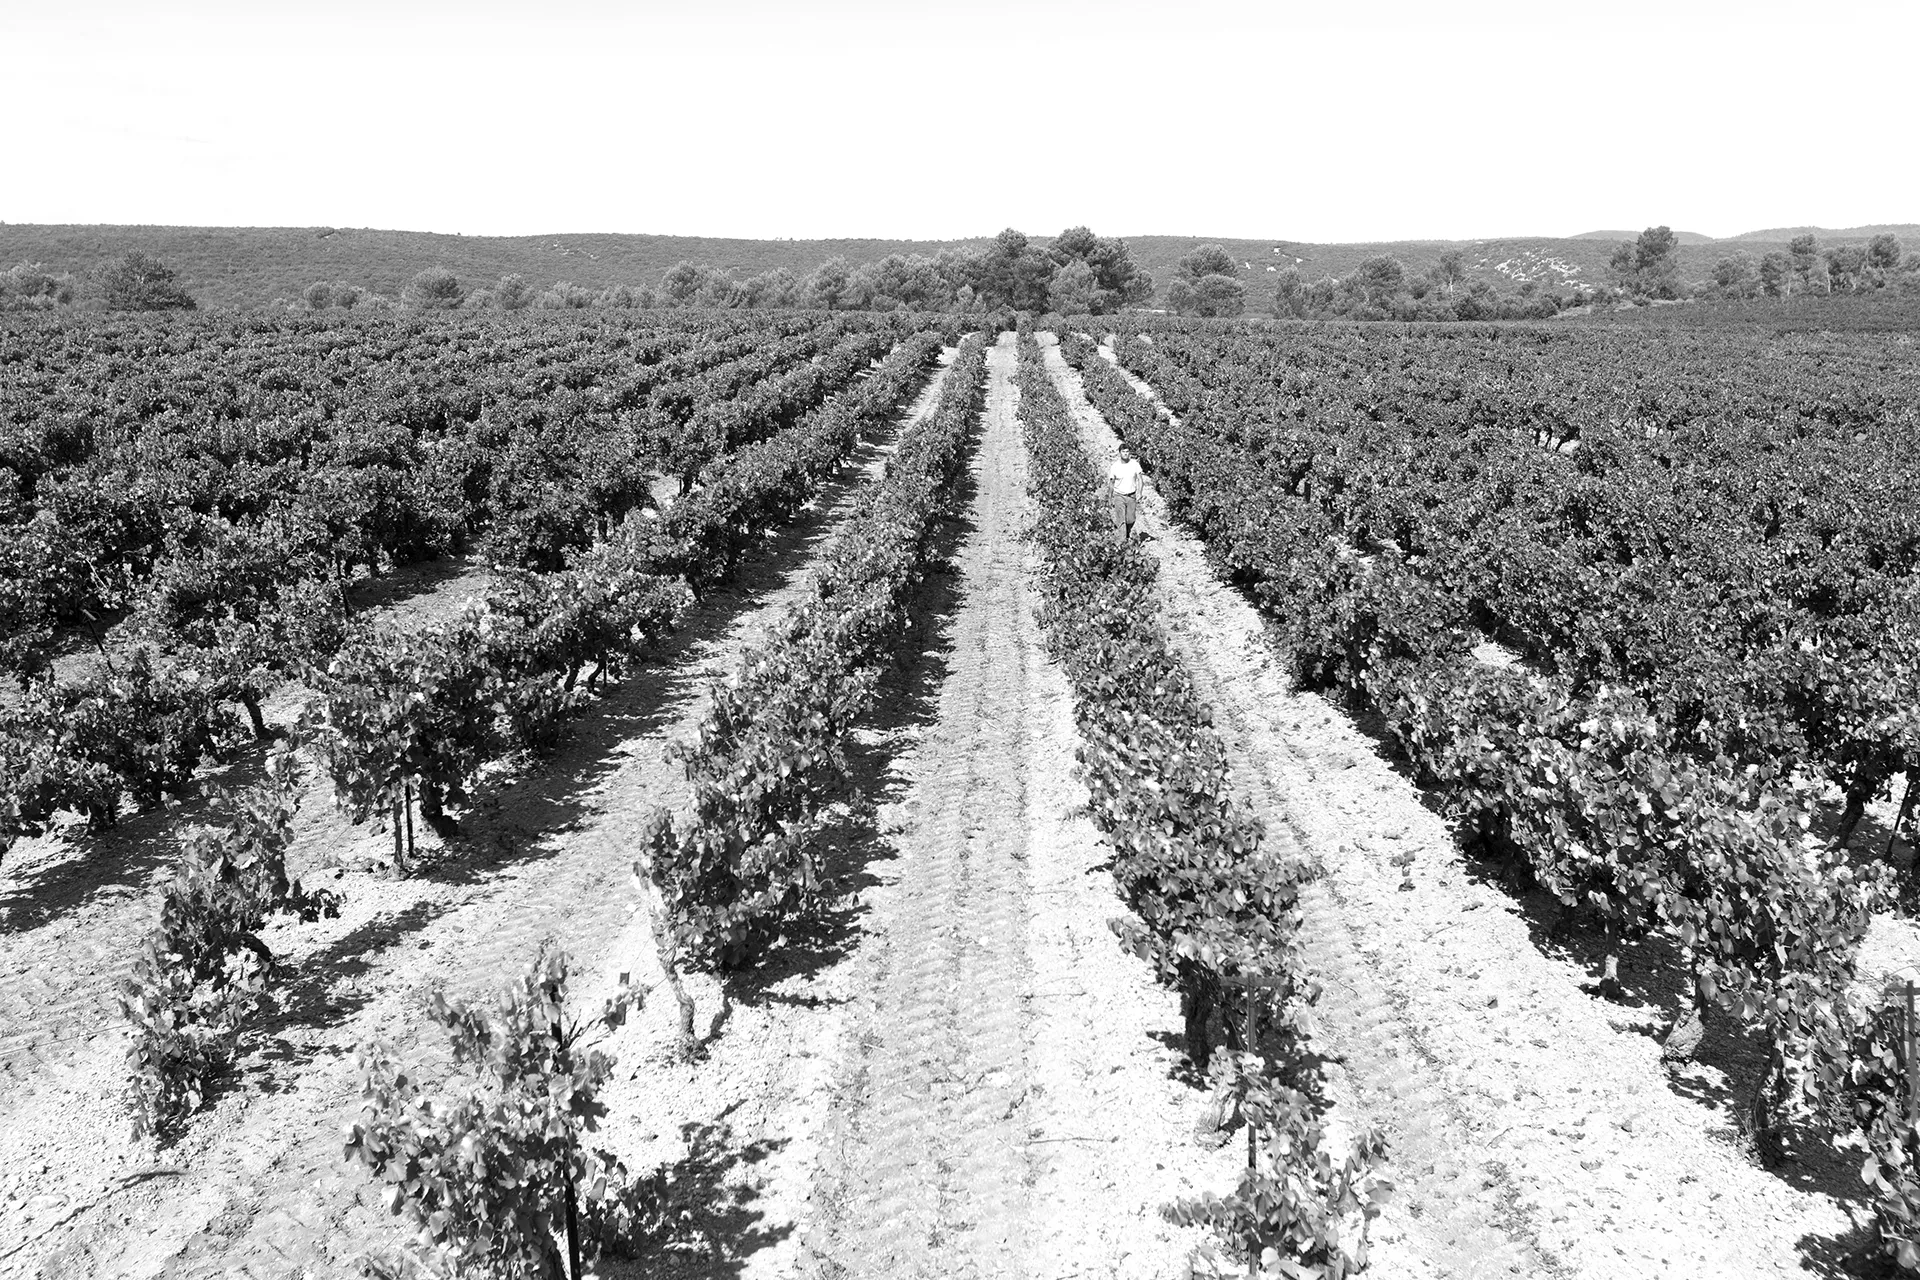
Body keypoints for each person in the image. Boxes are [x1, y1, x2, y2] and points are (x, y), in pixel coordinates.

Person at [1107, 445, 1143, 543]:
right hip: (1119, 496)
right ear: (1120, 453)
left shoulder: (1134, 464)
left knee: (1131, 519)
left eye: (1127, 451)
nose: (1126, 454)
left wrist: (1139, 492)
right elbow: (1111, 483)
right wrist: (1110, 498)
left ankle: (1127, 532)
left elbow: (1140, 479)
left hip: (1131, 495)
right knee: (1121, 520)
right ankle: (1122, 542)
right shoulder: (1115, 467)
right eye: (1123, 452)